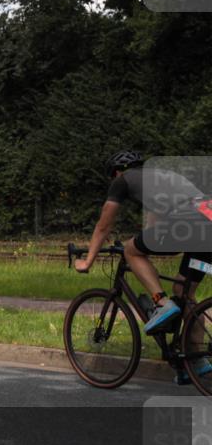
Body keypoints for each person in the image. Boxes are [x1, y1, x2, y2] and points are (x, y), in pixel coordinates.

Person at [74, 151, 212, 381]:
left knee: (130, 250)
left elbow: (103, 226)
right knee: (184, 293)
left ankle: (161, 303)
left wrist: (87, 260)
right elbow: (152, 231)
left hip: (188, 220)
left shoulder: (122, 180)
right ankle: (196, 361)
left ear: (117, 172)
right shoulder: (160, 177)